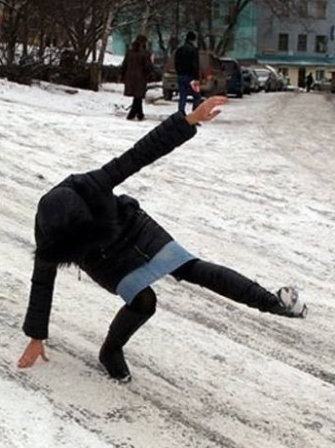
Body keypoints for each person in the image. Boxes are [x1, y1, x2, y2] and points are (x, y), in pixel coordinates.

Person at [17, 97, 308, 383]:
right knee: (144, 301)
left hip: (131, 227)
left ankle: (271, 302)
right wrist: (36, 336)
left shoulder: (92, 184)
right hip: (102, 259)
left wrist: (189, 120)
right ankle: (110, 351)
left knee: (190, 267)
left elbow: (140, 154)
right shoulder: (50, 234)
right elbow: (42, 282)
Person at [120, 35, 153, 120]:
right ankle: (134, 114)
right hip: (140, 77)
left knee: (137, 96)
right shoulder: (145, 53)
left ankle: (138, 114)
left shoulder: (130, 52)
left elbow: (124, 65)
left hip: (130, 76)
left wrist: (122, 75)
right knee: (138, 96)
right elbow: (147, 66)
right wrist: (150, 73)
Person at [174, 31, 203, 114]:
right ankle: (195, 114)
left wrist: (179, 72)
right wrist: (196, 77)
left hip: (181, 76)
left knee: (182, 96)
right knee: (196, 96)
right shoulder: (194, 50)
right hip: (191, 76)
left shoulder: (179, 50)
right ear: (193, 39)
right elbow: (195, 65)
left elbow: (176, 63)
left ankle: (180, 113)